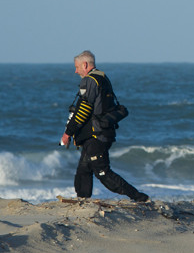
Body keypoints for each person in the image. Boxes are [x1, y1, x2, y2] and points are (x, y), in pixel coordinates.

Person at [61, 50, 149, 202]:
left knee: (103, 172)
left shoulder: (89, 81)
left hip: (97, 135)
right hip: (100, 133)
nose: (75, 71)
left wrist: (68, 133)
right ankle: (82, 200)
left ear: (85, 65)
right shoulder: (103, 78)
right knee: (83, 169)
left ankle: (140, 197)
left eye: (77, 67)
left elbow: (84, 110)